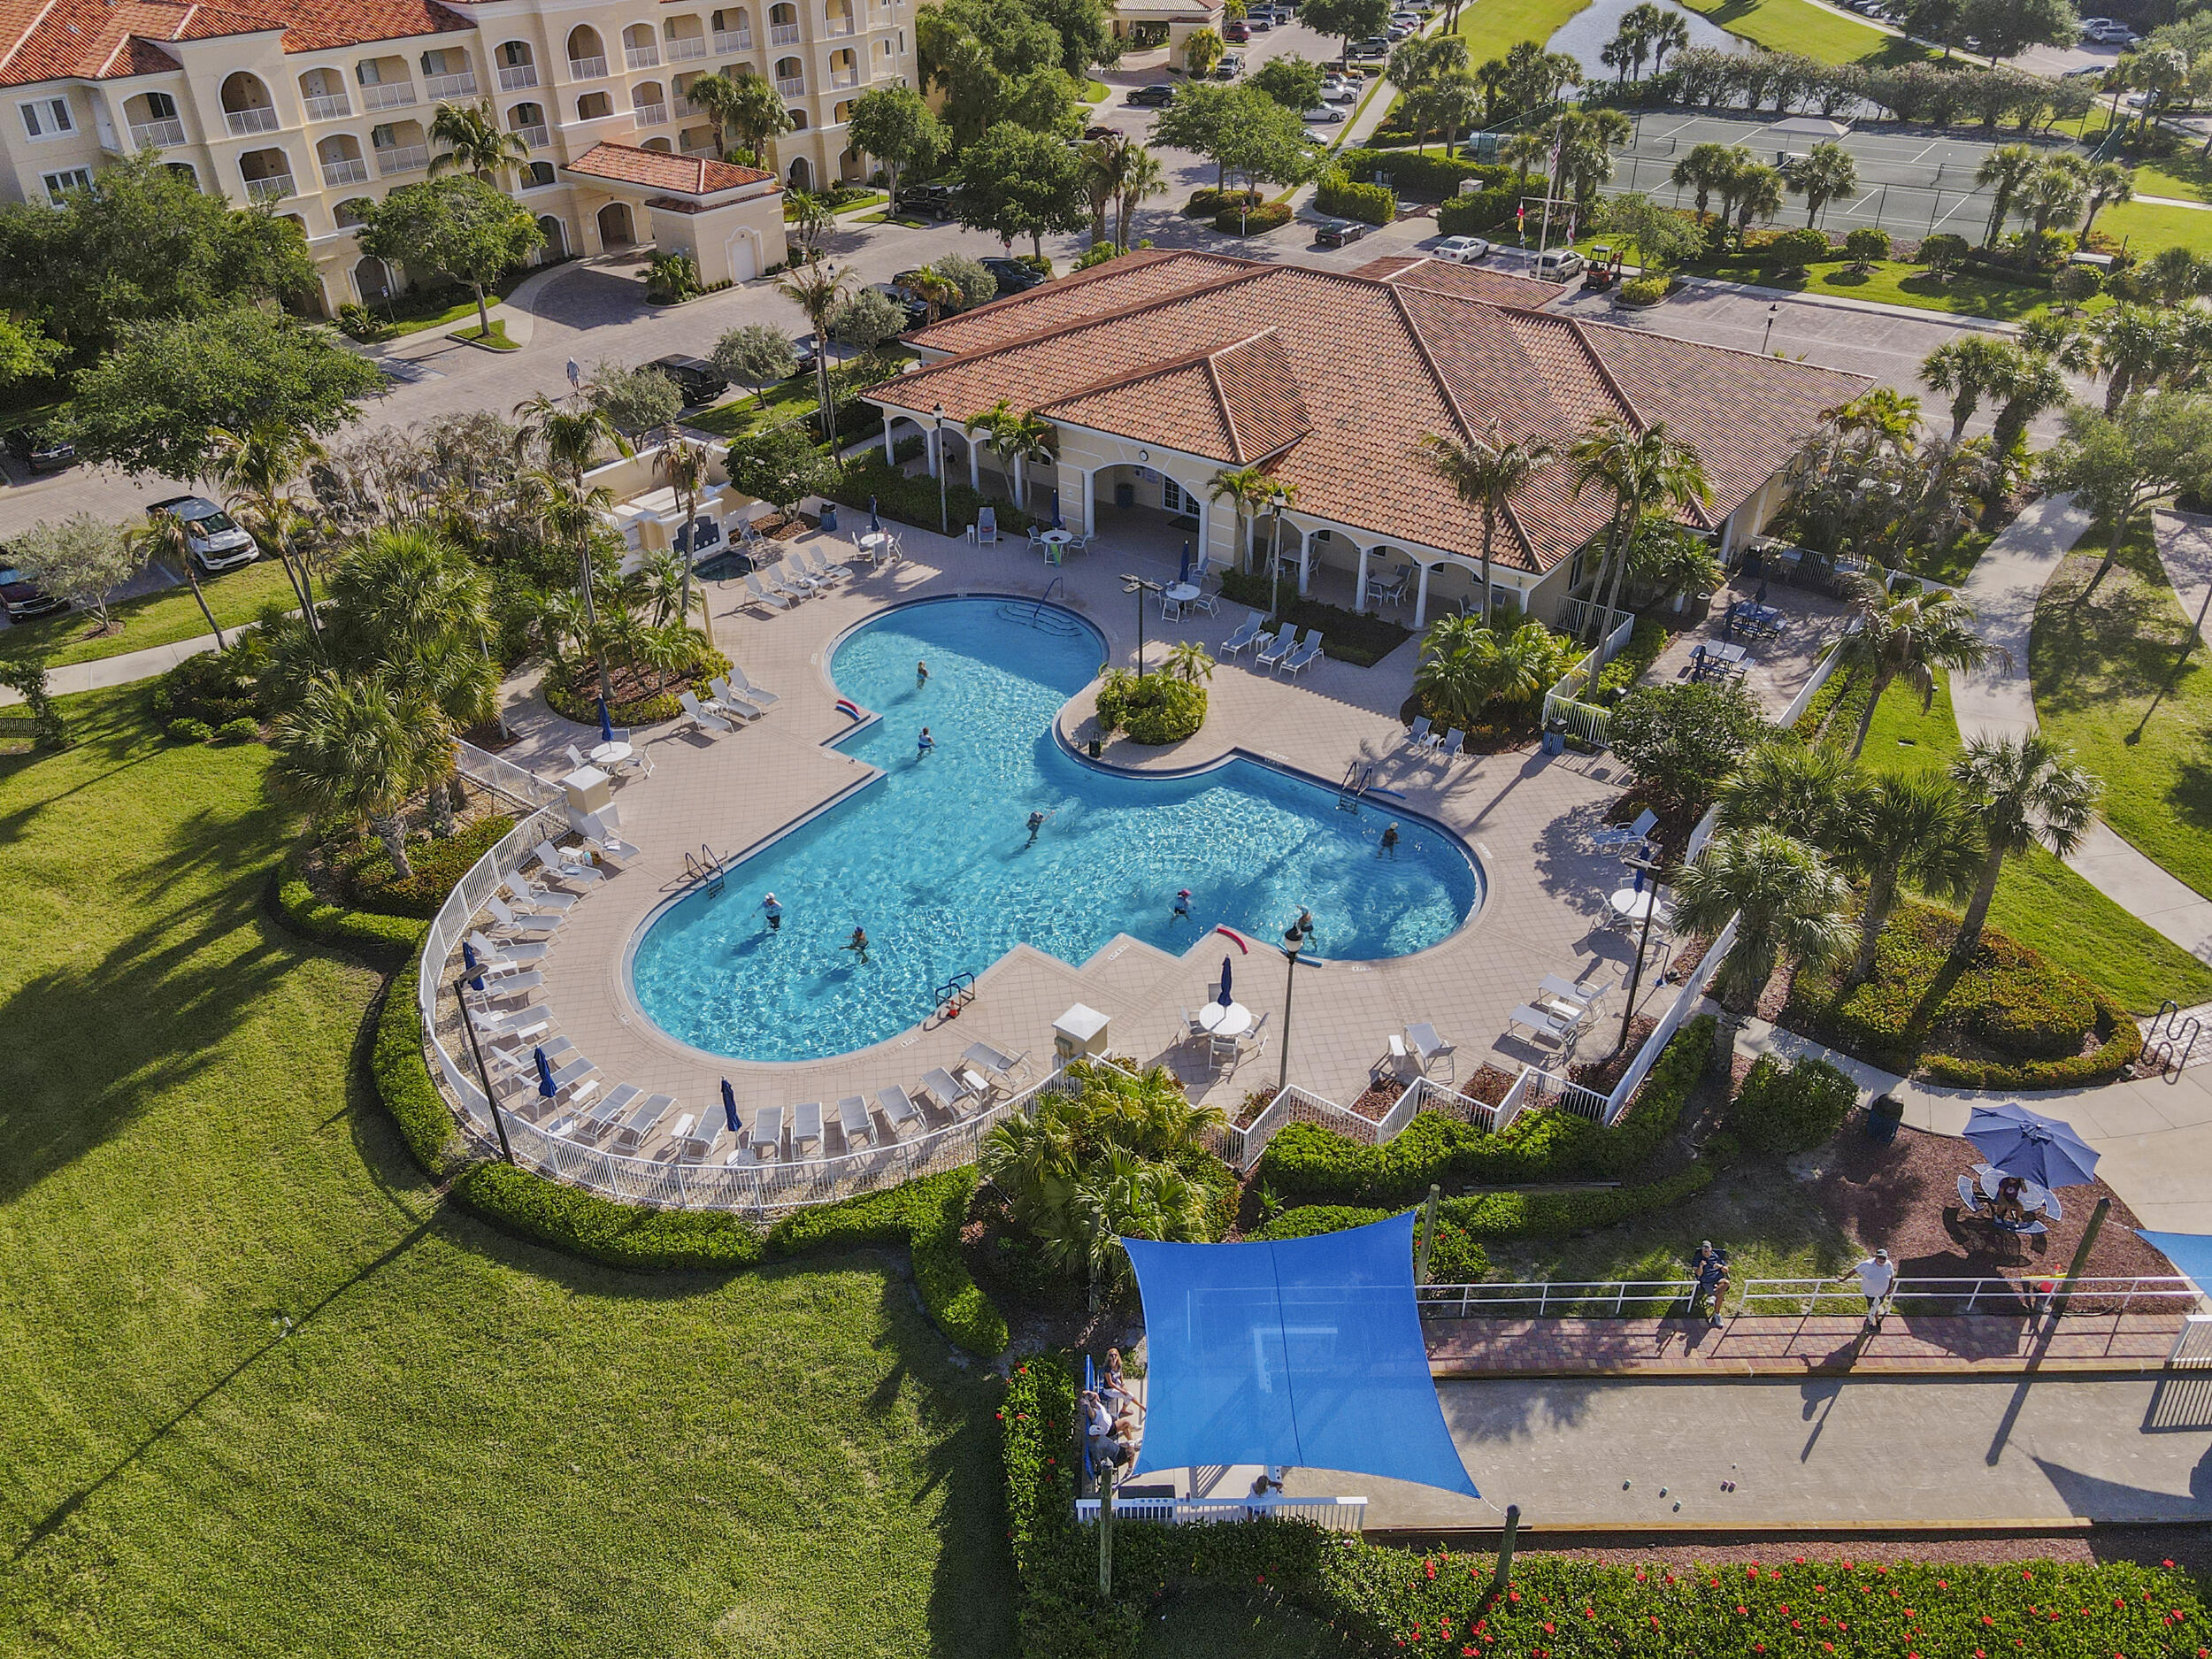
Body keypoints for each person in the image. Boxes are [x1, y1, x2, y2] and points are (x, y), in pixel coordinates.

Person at [1840, 1247, 1896, 1329]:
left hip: (1882, 1292)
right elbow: (1854, 1271)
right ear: (1876, 1257)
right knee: (1873, 1307)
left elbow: (1891, 1276)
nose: (1882, 1260)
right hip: (1870, 1293)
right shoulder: (1866, 1264)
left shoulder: (1889, 1264)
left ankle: (1872, 1319)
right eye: (1880, 1257)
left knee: (1876, 1306)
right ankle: (1875, 1321)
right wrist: (1844, 1279)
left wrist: (1889, 1288)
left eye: (1884, 1258)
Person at [1079, 1389, 1129, 1475]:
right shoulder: (1094, 1413)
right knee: (1126, 1424)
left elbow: (1084, 1392)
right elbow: (1091, 1413)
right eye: (1092, 1399)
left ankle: (1131, 1440)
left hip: (1110, 1420)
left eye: (1094, 1397)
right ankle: (1131, 1442)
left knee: (1126, 1426)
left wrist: (1092, 1395)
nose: (1095, 1398)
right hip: (1109, 1430)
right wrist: (1088, 1405)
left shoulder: (1096, 1401)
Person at [1688, 1240, 1731, 1327]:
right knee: (1720, 1294)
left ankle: (1713, 1297)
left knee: (1726, 1283)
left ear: (1711, 1249)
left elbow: (1727, 1270)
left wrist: (1720, 1266)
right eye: (1704, 1249)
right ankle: (1717, 1314)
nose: (1705, 1250)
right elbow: (1698, 1274)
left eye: (1707, 1248)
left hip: (1719, 1279)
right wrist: (1701, 1266)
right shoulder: (1698, 1258)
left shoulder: (1716, 1256)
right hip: (1707, 1282)